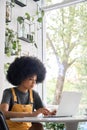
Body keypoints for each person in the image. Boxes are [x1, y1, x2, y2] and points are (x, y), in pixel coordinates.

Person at [0, 56, 56, 130]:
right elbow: (3, 113)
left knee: (38, 126)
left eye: (35, 80)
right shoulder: (8, 92)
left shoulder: (34, 94)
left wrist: (50, 113)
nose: (34, 82)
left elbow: (43, 110)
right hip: (10, 128)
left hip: (27, 128)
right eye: (30, 79)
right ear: (21, 77)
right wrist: (31, 114)